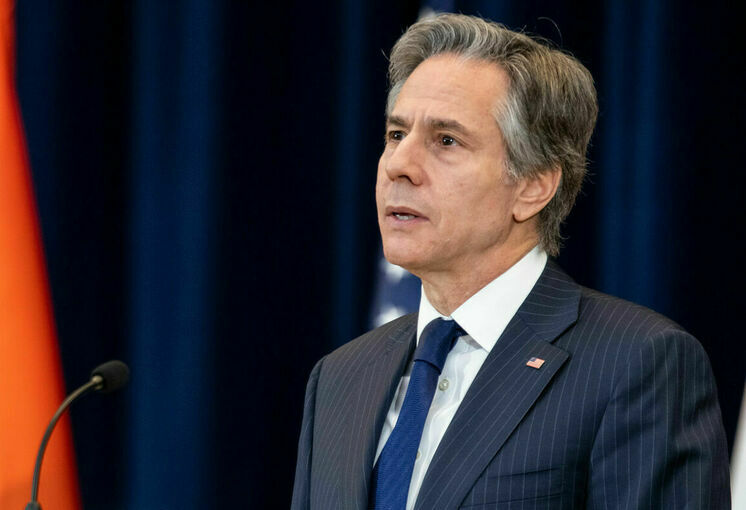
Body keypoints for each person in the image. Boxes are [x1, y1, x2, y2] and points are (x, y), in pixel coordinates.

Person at [291, 13, 730, 510]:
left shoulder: (636, 363)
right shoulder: (339, 378)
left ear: (533, 186)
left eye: (446, 140)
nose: (399, 165)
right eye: (396, 134)